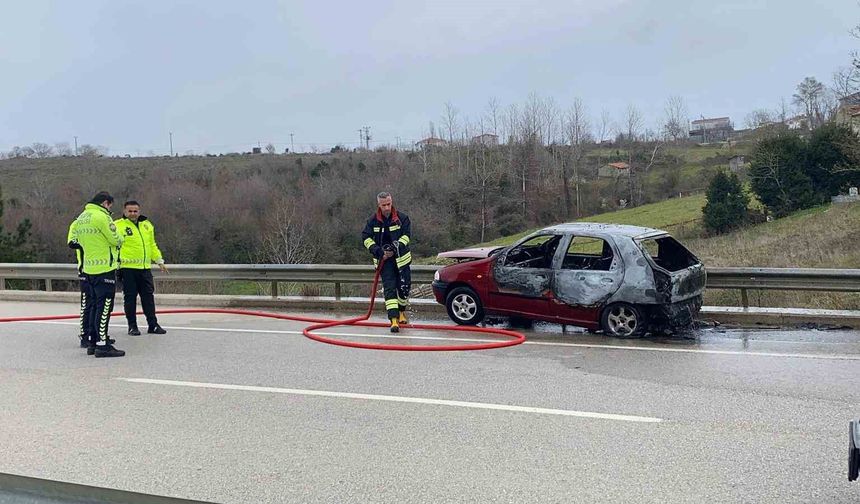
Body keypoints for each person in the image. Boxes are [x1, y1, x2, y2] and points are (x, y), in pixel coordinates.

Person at [66, 191, 125, 357]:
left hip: (89, 268)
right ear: (106, 203)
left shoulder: (81, 218)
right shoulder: (102, 217)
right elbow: (116, 239)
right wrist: (119, 238)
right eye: (110, 206)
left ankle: (92, 341)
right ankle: (102, 344)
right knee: (104, 307)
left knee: (92, 306)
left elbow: (75, 242)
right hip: (104, 267)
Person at [114, 200, 168, 335]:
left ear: (139, 211)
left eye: (135, 211)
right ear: (124, 211)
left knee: (148, 297)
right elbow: (113, 246)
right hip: (127, 268)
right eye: (130, 211)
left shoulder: (147, 225)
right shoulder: (117, 225)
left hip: (144, 268)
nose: (133, 213)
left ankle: (153, 324)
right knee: (130, 298)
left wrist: (159, 261)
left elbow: (152, 245)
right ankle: (132, 326)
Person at [361, 191, 412, 333]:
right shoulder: (372, 221)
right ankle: (394, 319)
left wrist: (398, 246)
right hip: (385, 261)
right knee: (389, 289)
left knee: (404, 287)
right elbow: (366, 238)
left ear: (392, 202)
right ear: (379, 205)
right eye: (384, 205)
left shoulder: (402, 218)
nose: (387, 208)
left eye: (389, 204)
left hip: (401, 260)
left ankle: (402, 311)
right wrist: (378, 251)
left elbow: (407, 236)